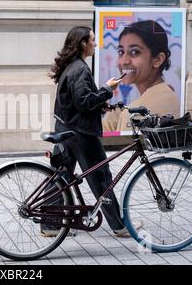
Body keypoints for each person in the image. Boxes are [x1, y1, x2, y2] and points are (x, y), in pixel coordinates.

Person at [43, 26, 142, 237]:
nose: (96, 44)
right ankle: (119, 225)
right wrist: (108, 90)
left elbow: (78, 100)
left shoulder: (72, 66)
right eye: (93, 40)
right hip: (81, 133)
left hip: (67, 128)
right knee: (101, 177)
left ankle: (50, 224)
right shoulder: (79, 68)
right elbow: (84, 102)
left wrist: (102, 104)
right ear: (82, 44)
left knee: (61, 177)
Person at [103, 20, 180, 132]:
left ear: (158, 59)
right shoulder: (165, 95)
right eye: (121, 52)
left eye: (134, 52)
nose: (124, 61)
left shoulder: (134, 113)